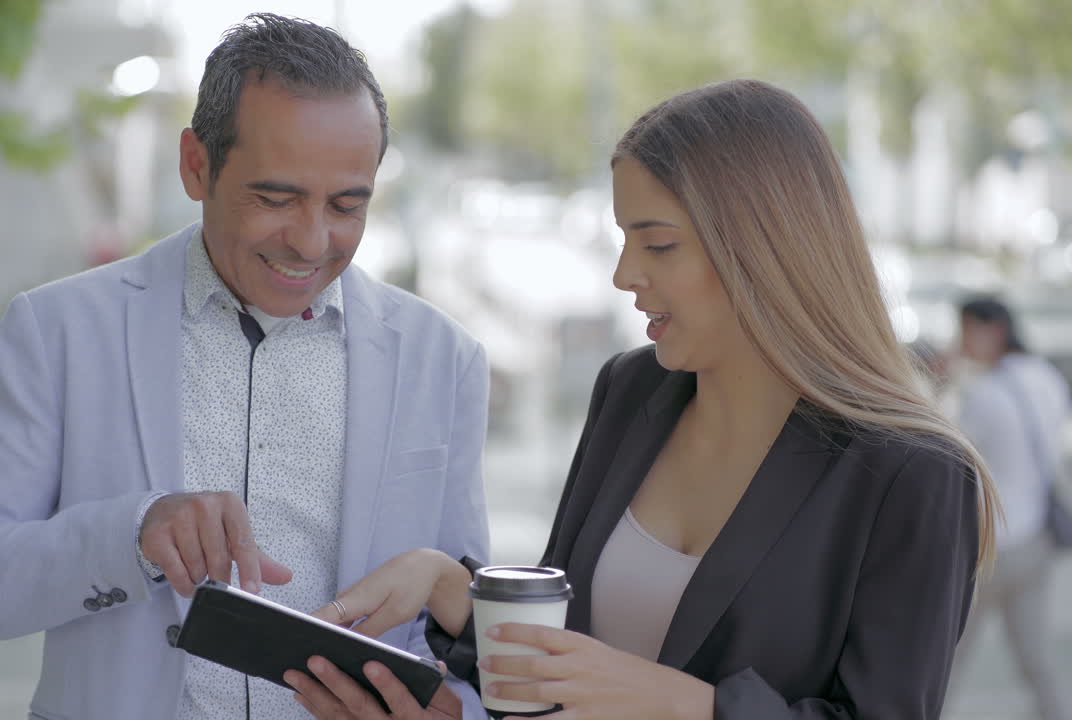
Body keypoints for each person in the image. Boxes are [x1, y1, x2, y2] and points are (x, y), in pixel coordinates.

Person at [303, 79, 1000, 719]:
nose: (623, 274)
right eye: (623, 240)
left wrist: (683, 704)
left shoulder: (915, 475)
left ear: (763, 248)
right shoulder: (632, 391)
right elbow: (565, 669)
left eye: (658, 244)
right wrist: (449, 588)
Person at [0, 14, 489, 720]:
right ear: (195, 165)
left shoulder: (443, 358)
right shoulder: (60, 331)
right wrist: (132, 534)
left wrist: (455, 708)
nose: (311, 241)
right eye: (276, 198)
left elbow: (462, 626)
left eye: (347, 206)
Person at [946, 297, 1070, 720]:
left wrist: (945, 382)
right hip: (1035, 540)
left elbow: (950, 460)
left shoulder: (983, 395)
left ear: (992, 331)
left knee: (947, 660)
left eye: (965, 331)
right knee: (1037, 662)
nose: (959, 341)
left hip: (989, 547)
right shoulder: (1048, 378)